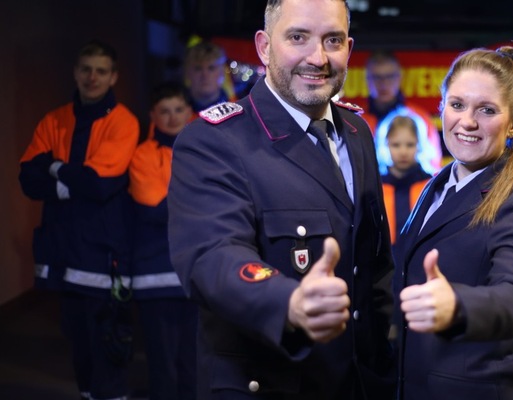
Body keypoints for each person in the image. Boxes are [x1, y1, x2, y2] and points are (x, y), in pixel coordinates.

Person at [167, 0, 395, 398]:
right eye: (298, 37)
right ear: (264, 46)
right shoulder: (213, 141)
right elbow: (212, 257)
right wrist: (288, 300)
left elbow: (373, 269)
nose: (318, 57)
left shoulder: (357, 133)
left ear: (349, 48)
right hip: (272, 384)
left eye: (333, 40)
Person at [394, 46, 513, 400]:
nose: (467, 121)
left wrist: (457, 304)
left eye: (486, 110)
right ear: (442, 108)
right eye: (457, 105)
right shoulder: (437, 183)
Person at [18, 40, 139, 400]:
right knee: (76, 337)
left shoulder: (123, 122)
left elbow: (100, 185)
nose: (92, 77)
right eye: (86, 69)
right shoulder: (54, 120)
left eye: (101, 71)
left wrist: (53, 167)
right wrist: (70, 182)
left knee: (106, 336)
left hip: (103, 248)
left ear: (113, 76)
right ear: (75, 72)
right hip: (61, 248)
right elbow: (28, 179)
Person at [128, 82, 197, 400]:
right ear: (152, 115)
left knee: (195, 364)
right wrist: (200, 199)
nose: (172, 118)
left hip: (199, 274)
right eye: (164, 111)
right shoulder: (141, 155)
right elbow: (156, 211)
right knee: (163, 366)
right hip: (156, 273)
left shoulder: (207, 150)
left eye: (178, 109)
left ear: (190, 112)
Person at [364, 50, 442, 172]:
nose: (383, 83)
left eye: (389, 76)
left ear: (399, 77)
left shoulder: (419, 118)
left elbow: (434, 164)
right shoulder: (356, 119)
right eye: (377, 77)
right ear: (367, 79)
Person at [379, 114, 432, 252]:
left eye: (410, 145)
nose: (403, 152)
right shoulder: (377, 186)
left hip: (421, 255)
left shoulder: (430, 185)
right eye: (396, 145)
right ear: (386, 144)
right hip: (386, 262)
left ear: (419, 145)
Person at [184, 40, 235, 113]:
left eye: (211, 68)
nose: (205, 75)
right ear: (188, 73)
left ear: (222, 72)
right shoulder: (172, 110)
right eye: (198, 68)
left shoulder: (237, 110)